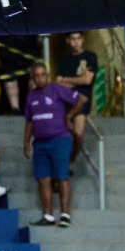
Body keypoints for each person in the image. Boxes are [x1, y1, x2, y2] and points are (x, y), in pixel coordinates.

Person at [24, 62, 86, 228]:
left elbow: (81, 99)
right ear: (33, 78)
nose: (40, 78)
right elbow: (30, 121)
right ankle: (48, 216)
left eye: (43, 75)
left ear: (47, 75)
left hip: (60, 140)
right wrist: (26, 142)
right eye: (36, 76)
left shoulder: (57, 89)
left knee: (62, 176)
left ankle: (65, 214)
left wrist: (69, 116)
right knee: (43, 179)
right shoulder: (31, 96)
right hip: (40, 144)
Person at [54, 32, 98, 166]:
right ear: (68, 40)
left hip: (81, 102)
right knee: (64, 136)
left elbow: (87, 80)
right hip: (65, 102)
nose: (76, 42)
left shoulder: (90, 57)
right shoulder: (64, 61)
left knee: (78, 134)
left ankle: (71, 160)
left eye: (78, 38)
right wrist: (78, 80)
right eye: (72, 39)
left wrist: (67, 80)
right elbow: (57, 83)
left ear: (83, 40)